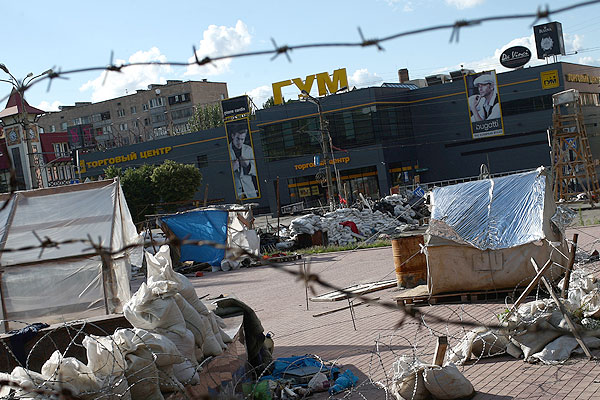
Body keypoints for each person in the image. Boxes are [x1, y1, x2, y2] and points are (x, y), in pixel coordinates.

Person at [229, 127, 257, 199]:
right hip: (236, 195)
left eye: (242, 139)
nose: (240, 142)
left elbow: (257, 171)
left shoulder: (249, 150)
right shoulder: (227, 150)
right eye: (237, 139)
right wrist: (231, 169)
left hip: (250, 192)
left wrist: (248, 166)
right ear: (232, 136)